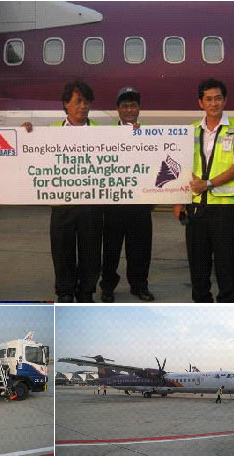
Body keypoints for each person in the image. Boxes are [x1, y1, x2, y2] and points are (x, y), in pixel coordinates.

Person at [24, 80, 102, 302]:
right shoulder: (51, 132)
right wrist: (24, 134)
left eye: (87, 102)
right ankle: (65, 292)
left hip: (91, 204)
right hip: (62, 204)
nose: (83, 106)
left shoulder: (102, 132)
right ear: (66, 105)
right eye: (78, 102)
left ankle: (86, 291)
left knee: (91, 250)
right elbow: (33, 156)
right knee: (62, 250)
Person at [174, 79, 234, 303]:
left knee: (226, 264)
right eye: (208, 99)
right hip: (196, 207)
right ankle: (201, 306)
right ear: (200, 102)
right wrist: (178, 201)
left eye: (218, 98)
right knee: (198, 265)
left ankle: (227, 307)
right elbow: (180, 167)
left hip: (225, 208)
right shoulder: (190, 131)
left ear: (225, 100)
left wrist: (208, 184)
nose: (214, 103)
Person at [100, 87, 154, 303]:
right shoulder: (105, 134)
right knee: (111, 249)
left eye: (133, 105)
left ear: (139, 109)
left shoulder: (151, 134)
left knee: (140, 248)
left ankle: (139, 286)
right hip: (114, 203)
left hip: (140, 203)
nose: (129, 109)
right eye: (125, 106)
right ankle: (107, 287)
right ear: (118, 109)